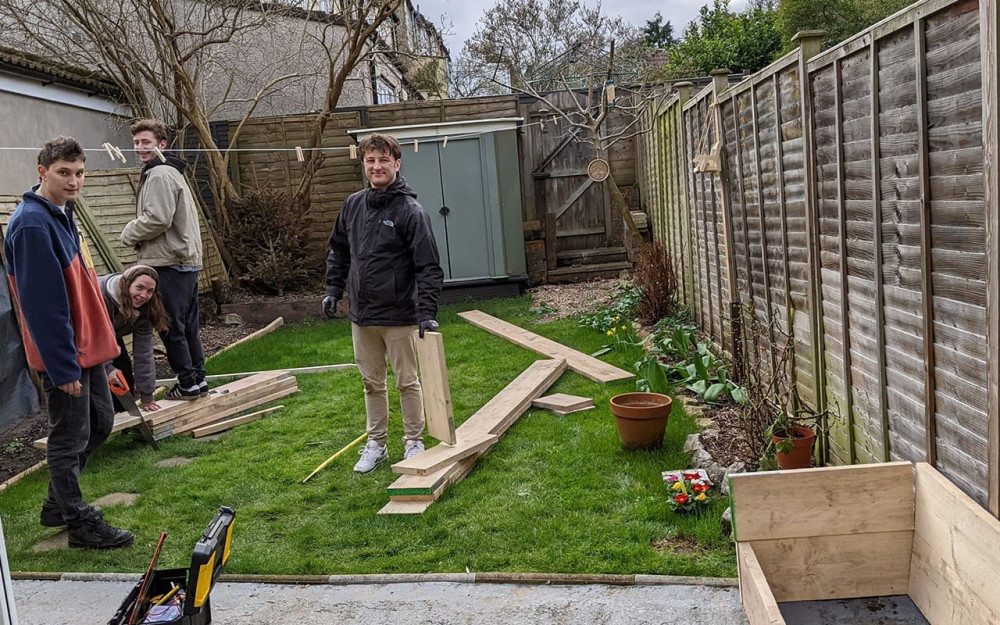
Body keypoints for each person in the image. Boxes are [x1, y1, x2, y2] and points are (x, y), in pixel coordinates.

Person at [3, 136, 134, 549]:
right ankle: (78, 521)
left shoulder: (61, 213)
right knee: (69, 436)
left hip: (87, 346)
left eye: (79, 173)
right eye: (64, 173)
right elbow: (44, 306)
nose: (74, 181)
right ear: (42, 172)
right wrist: (62, 367)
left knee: (101, 422)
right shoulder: (32, 224)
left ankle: (56, 503)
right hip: (66, 353)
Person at [324, 133, 444, 473]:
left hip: (400, 314)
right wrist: (334, 289)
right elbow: (339, 251)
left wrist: (427, 313)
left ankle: (413, 441)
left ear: (397, 163)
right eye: (370, 161)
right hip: (362, 315)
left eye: (383, 161)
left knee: (407, 381)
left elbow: (428, 266)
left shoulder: (411, 211)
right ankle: (376, 444)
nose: (376, 167)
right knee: (371, 383)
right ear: (364, 164)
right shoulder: (352, 205)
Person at [121, 118, 206, 401]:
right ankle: (197, 381)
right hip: (184, 260)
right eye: (136, 143)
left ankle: (187, 383)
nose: (140, 148)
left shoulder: (159, 175)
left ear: (161, 144)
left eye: (146, 142)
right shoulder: (171, 172)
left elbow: (157, 219)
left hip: (168, 262)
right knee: (188, 328)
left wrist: (129, 232)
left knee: (170, 327)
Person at [99, 265, 171, 413]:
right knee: (96, 378)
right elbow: (94, 337)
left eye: (150, 291)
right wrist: (107, 368)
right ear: (126, 284)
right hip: (82, 338)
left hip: (111, 336)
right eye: (139, 287)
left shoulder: (147, 308)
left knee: (123, 370)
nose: (144, 295)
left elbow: (143, 354)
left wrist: (147, 396)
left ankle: (125, 417)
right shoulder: (100, 296)